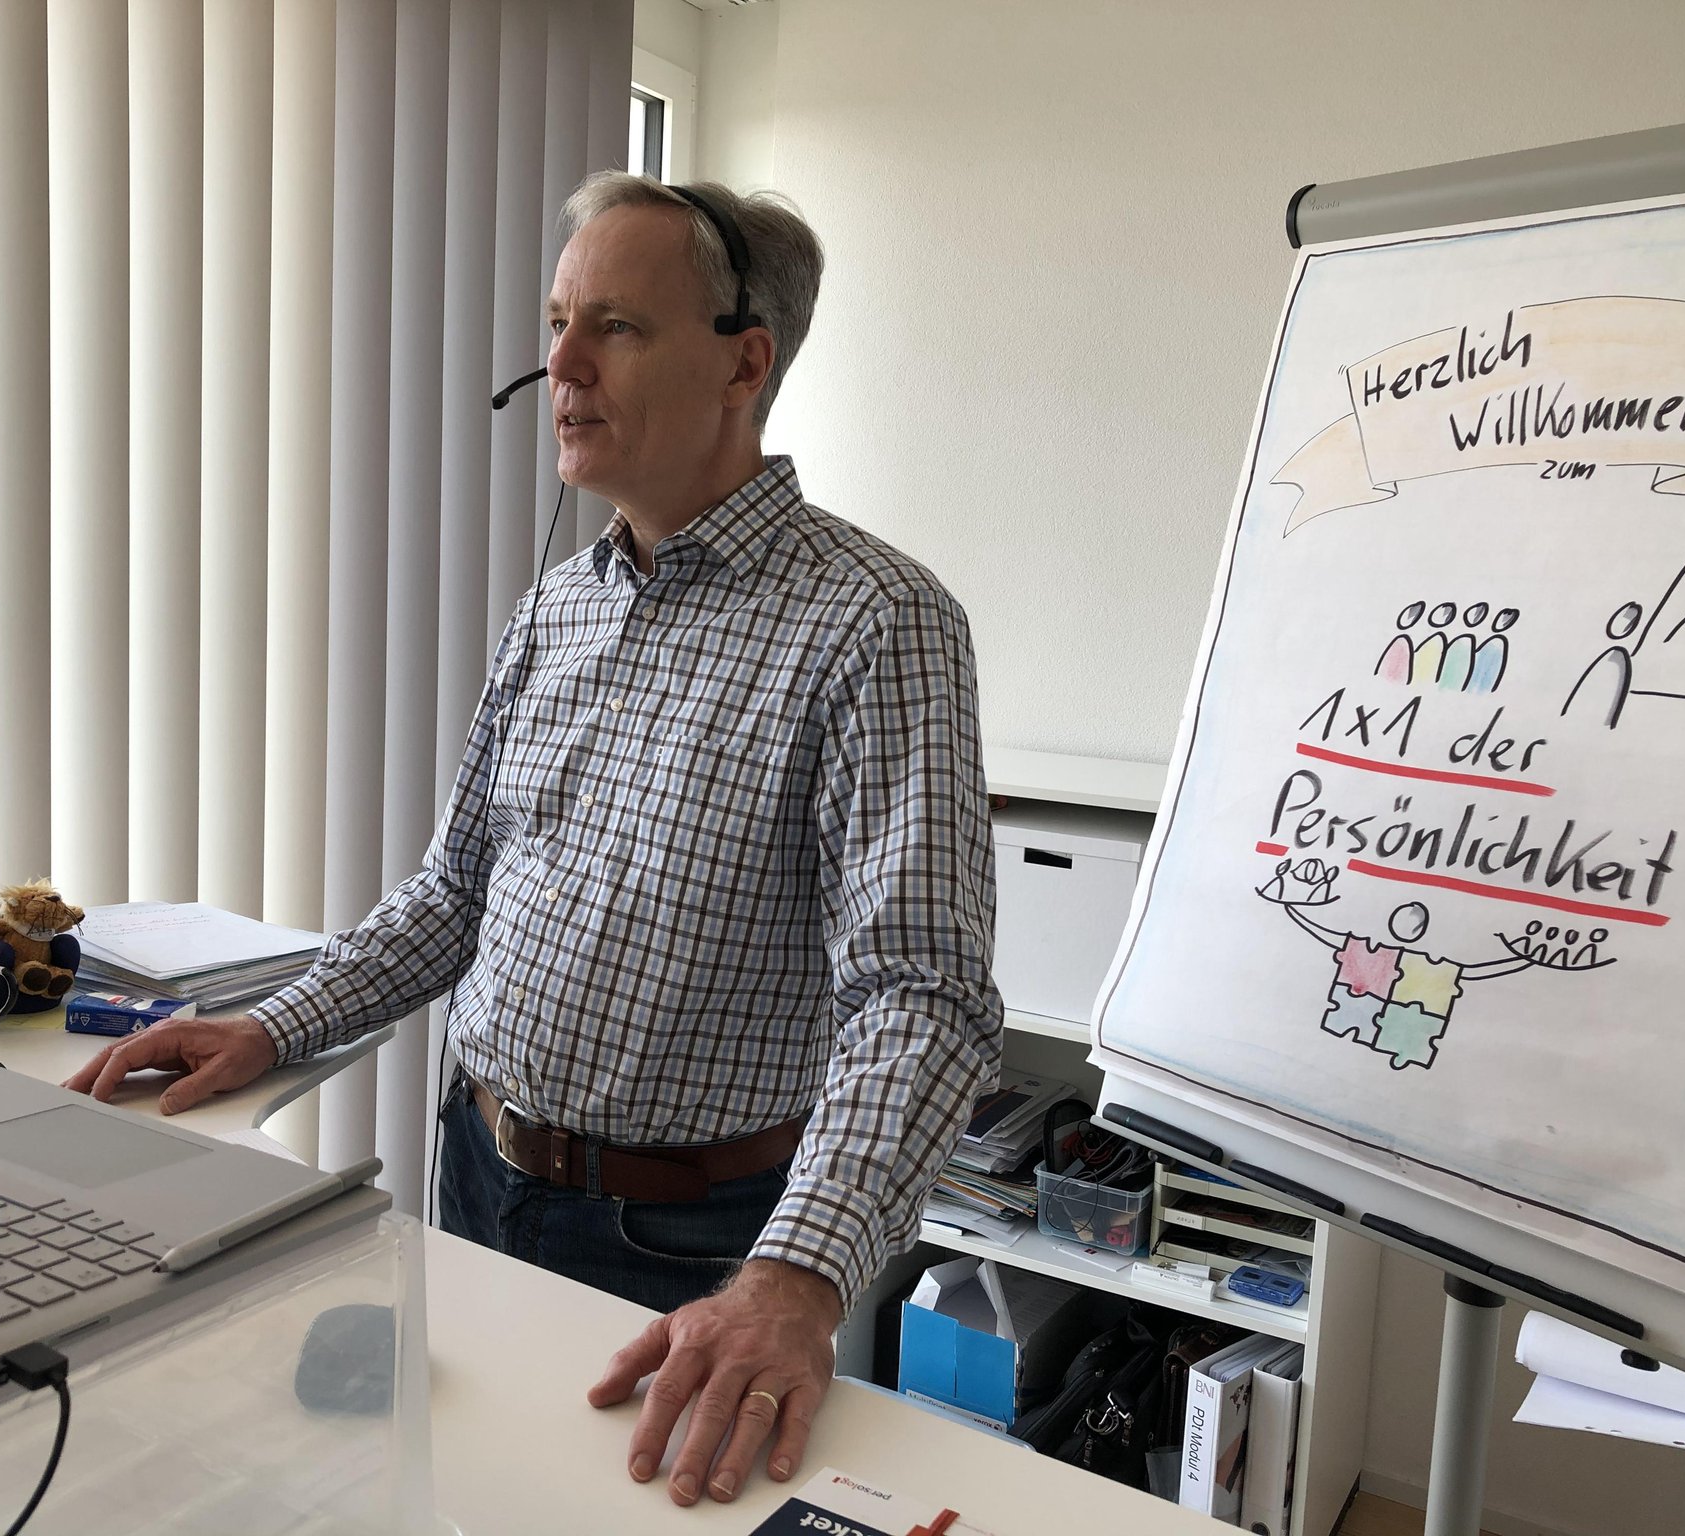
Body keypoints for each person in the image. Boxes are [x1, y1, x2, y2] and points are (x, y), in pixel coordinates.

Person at [64, 172, 1003, 1510]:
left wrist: (797, 1279)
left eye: (614, 326)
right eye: (560, 323)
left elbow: (922, 997)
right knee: (459, 1505)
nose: (559, 367)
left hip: (691, 1247)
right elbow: (456, 891)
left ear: (744, 363)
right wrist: (273, 1027)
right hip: (478, 1168)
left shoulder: (877, 622)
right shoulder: (558, 607)